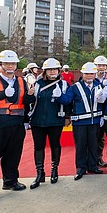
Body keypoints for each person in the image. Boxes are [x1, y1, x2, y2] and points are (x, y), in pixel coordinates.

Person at [0, 50, 36, 203]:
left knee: (13, 155)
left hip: (16, 124)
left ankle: (10, 181)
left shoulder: (21, 81)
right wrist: (3, 93)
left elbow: (24, 102)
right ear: (0, 65)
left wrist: (31, 96)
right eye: (7, 63)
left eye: (13, 63)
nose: (10, 66)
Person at [58, 62, 107, 180]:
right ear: (82, 74)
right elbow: (67, 100)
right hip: (80, 122)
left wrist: (102, 116)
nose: (89, 76)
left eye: (91, 73)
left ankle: (93, 166)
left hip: (95, 121)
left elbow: (104, 103)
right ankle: (80, 168)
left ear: (95, 74)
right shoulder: (75, 87)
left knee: (93, 145)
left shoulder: (100, 85)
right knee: (81, 146)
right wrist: (59, 95)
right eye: (87, 74)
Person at [28, 58, 69, 189]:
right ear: (45, 71)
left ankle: (54, 170)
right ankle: (39, 173)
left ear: (59, 71)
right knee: (38, 146)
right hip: (37, 120)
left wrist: (67, 116)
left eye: (55, 69)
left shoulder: (64, 84)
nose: (53, 72)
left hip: (55, 120)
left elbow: (68, 102)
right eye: (50, 69)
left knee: (55, 145)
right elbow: (28, 101)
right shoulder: (37, 83)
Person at [94, 55, 107, 168]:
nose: (101, 67)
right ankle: (90, 159)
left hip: (104, 113)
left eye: (103, 65)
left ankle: (98, 158)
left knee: (101, 137)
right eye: (99, 65)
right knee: (91, 138)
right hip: (92, 112)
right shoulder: (89, 77)